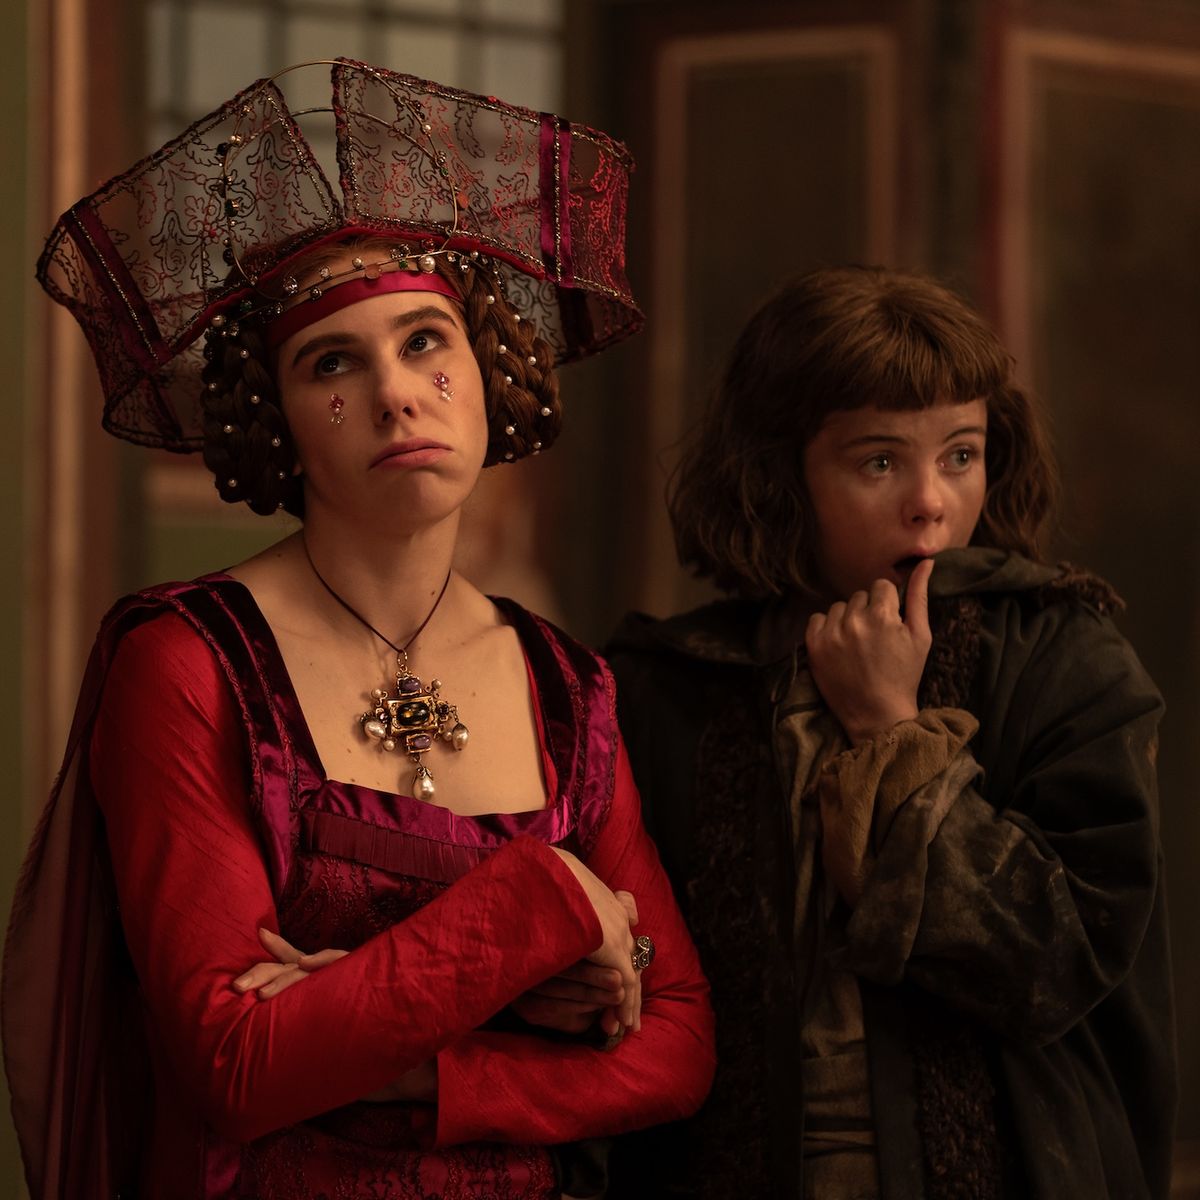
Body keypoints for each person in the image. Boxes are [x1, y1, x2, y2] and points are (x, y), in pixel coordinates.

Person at [3, 60, 714, 1200]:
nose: (395, 393)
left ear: (486, 367)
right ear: (277, 418)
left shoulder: (567, 685)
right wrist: (550, 904)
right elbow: (236, 1065)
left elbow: (676, 1046)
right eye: (333, 363)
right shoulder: (186, 662)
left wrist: (422, 1073)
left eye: (427, 341)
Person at [605, 266, 1175, 1198]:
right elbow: (633, 982)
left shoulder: (1064, 662)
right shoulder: (666, 689)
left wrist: (889, 728)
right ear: (780, 475)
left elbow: (1059, 961)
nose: (931, 502)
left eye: (960, 454)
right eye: (879, 463)